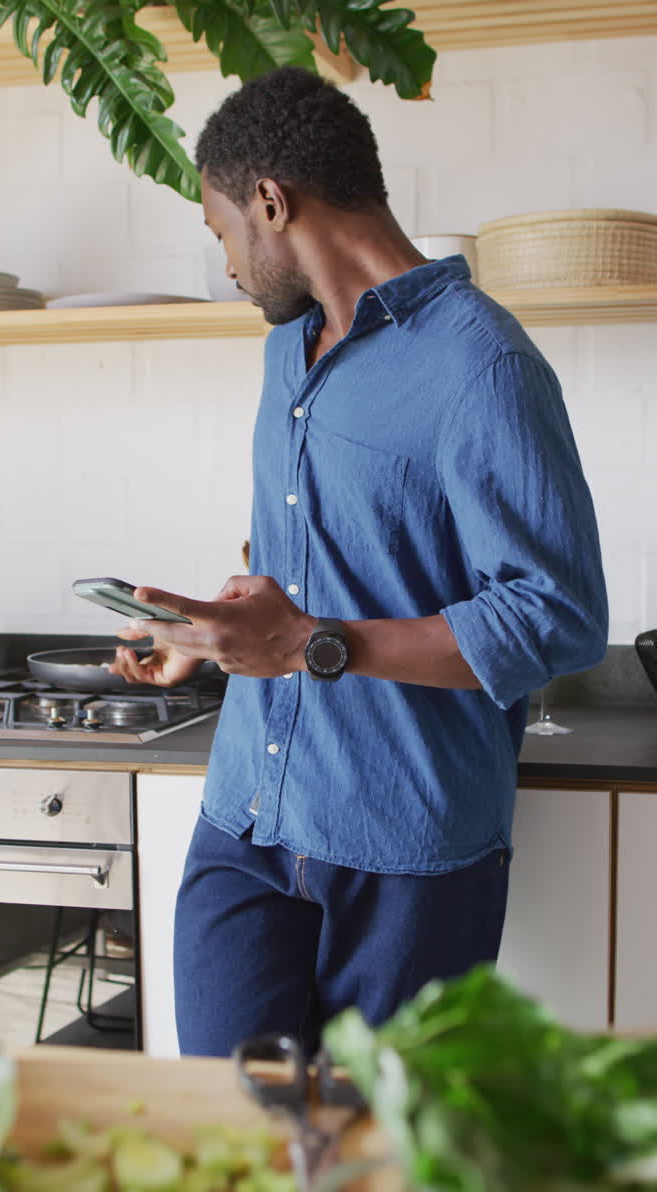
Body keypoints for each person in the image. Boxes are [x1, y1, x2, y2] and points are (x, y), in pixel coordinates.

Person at [110, 67, 608, 1057]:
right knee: (223, 1145)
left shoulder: (483, 364)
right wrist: (213, 635)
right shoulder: (287, 346)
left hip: (403, 849)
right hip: (246, 816)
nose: (227, 266)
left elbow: (556, 615)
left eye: (221, 235)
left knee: (368, 1174)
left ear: (270, 202)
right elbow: (308, 548)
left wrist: (305, 642)